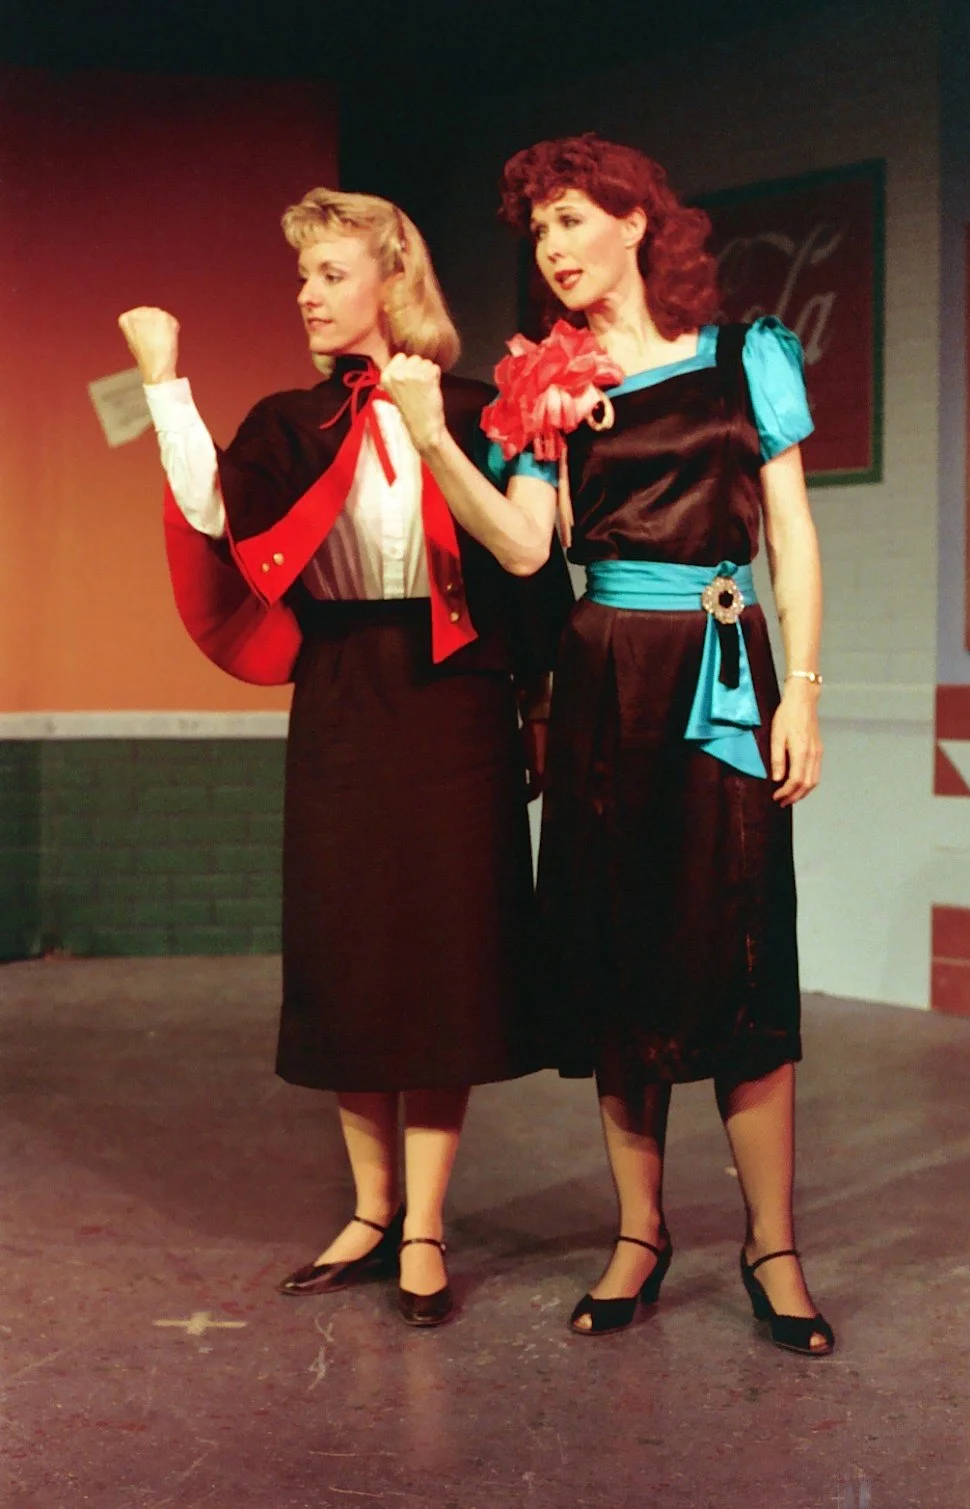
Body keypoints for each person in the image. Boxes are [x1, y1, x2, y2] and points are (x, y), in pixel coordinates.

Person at [380, 134, 834, 1354]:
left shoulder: (747, 357)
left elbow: (787, 533)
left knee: (740, 949)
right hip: (596, 680)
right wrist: (433, 441)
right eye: (538, 231)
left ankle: (771, 1245)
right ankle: (639, 1235)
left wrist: (801, 688)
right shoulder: (539, 383)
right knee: (619, 957)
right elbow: (526, 551)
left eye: (572, 219)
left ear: (639, 222)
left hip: (719, 678)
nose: (554, 247)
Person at [118, 188, 571, 1328]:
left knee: (444, 962)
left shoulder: (481, 407)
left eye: (328, 272)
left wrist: (537, 716)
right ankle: (370, 1214)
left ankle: (424, 1224)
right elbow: (211, 513)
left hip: (456, 696)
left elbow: (531, 573)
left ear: (391, 280)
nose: (308, 296)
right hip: (340, 695)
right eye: (302, 277)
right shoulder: (285, 420)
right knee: (351, 954)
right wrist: (163, 375)